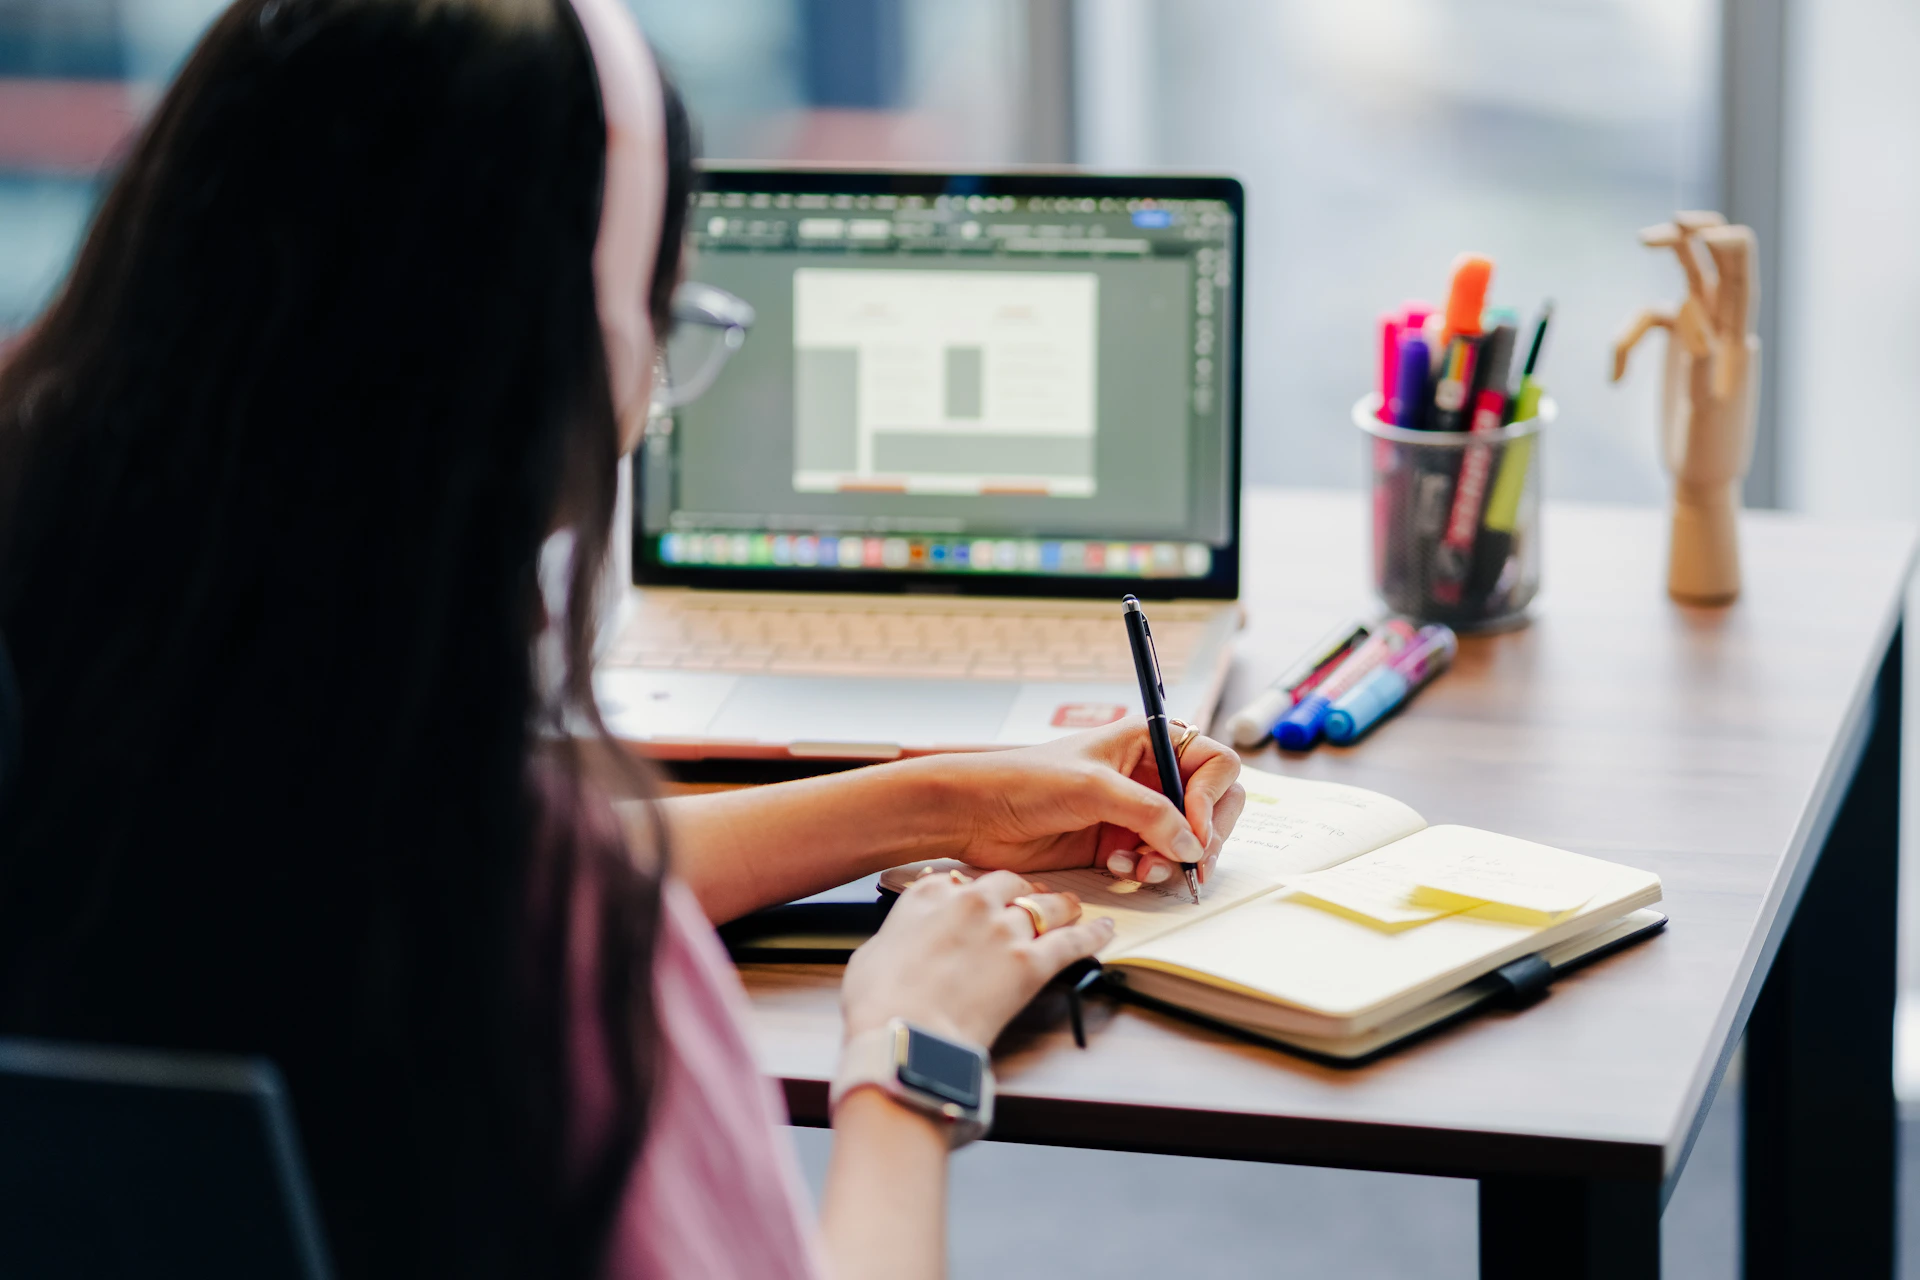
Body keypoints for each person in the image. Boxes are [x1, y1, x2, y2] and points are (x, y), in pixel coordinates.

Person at [0, 1, 1246, 1278]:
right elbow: (512, 880)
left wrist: (940, 799)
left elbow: (456, 851)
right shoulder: (554, 954)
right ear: (562, 374)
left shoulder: (119, 711)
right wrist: (906, 1052)